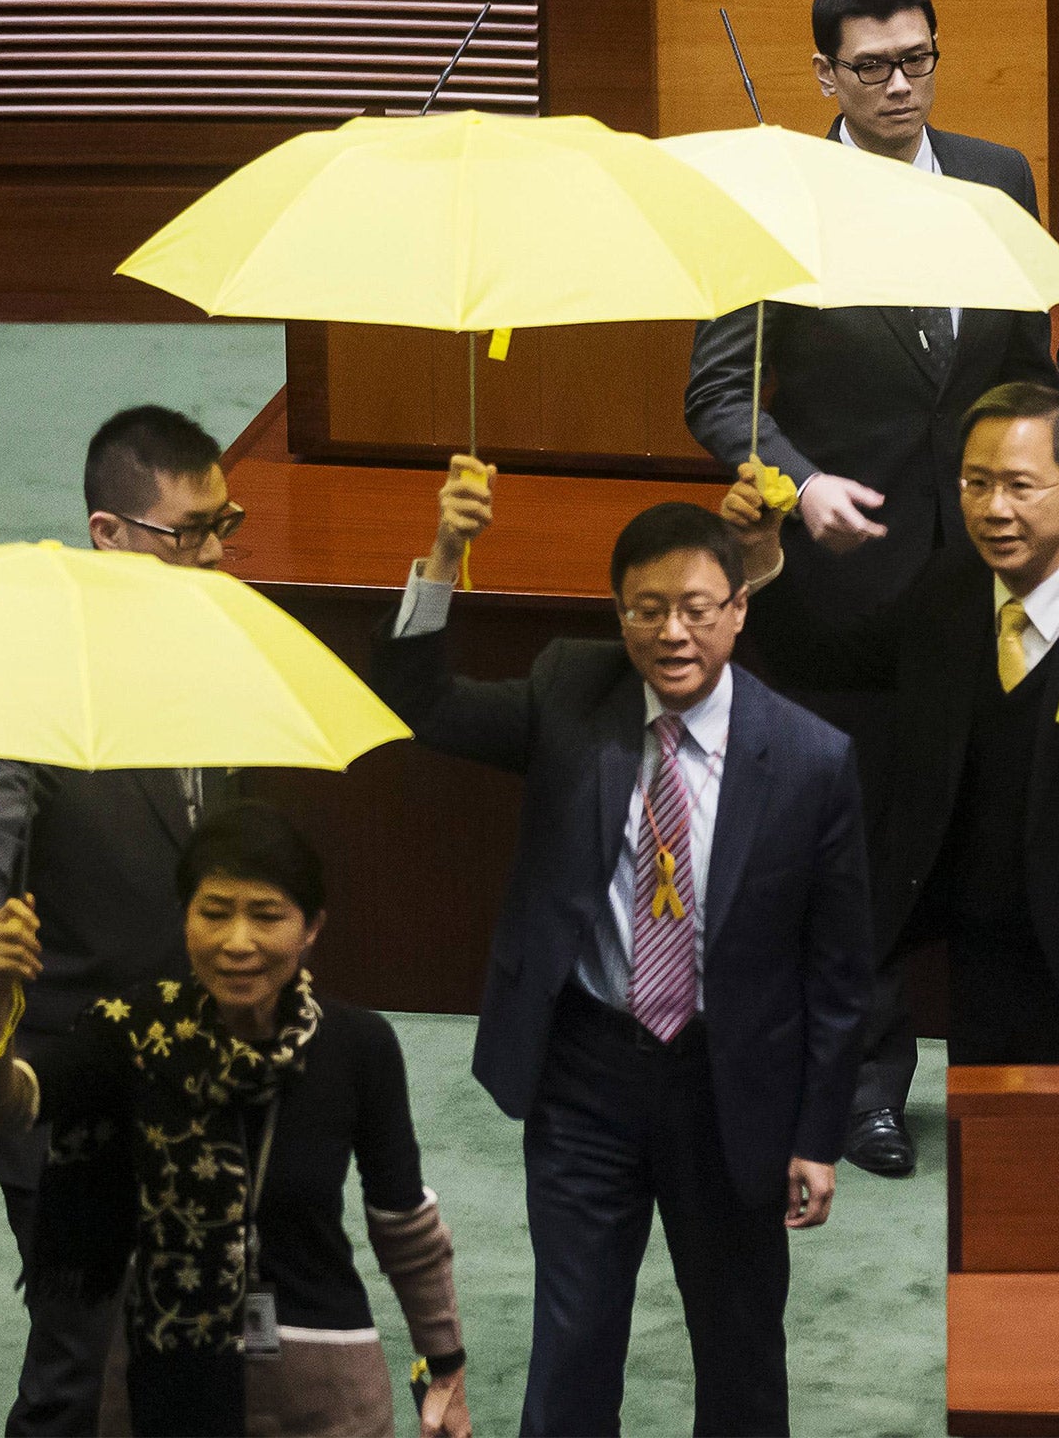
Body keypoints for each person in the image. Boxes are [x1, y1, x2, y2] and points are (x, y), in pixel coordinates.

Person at [367, 468, 872, 1437]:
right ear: (618, 614)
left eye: (693, 609)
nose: (671, 635)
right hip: (586, 1075)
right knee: (572, 1342)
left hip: (730, 1090)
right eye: (647, 611)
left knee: (738, 1352)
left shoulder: (811, 760)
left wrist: (817, 1134)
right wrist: (444, 554)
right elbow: (418, 703)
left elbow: (838, 975)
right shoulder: (570, 690)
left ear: (735, 611)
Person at [724, 381, 1059, 1174]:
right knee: (991, 1190)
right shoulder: (947, 594)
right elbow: (821, 661)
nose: (995, 509)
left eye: (1021, 486)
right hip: (979, 967)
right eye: (975, 483)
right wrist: (760, 559)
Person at [0, 403, 248, 1436]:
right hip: (63, 1099)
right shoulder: (34, 681)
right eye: (186, 533)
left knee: (188, 1351)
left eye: (224, 524)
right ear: (109, 534)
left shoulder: (224, 647)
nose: (214, 554)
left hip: (195, 1079)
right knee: (75, 1373)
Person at [0, 802, 470, 1438]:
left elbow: (403, 1222)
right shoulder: (133, 1033)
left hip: (326, 1396)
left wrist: (445, 1364)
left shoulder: (358, 1047)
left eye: (267, 915)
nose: (237, 941)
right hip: (156, 1389)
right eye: (214, 912)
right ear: (185, 916)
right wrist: (0, 992)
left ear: (311, 928)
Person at [685, 0, 1059, 633]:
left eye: (917, 59)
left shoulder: (997, 178)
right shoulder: (774, 204)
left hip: (985, 558)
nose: (899, 86)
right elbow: (717, 394)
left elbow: (1027, 370)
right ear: (826, 73)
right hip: (841, 569)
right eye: (871, 67)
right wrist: (801, 485)